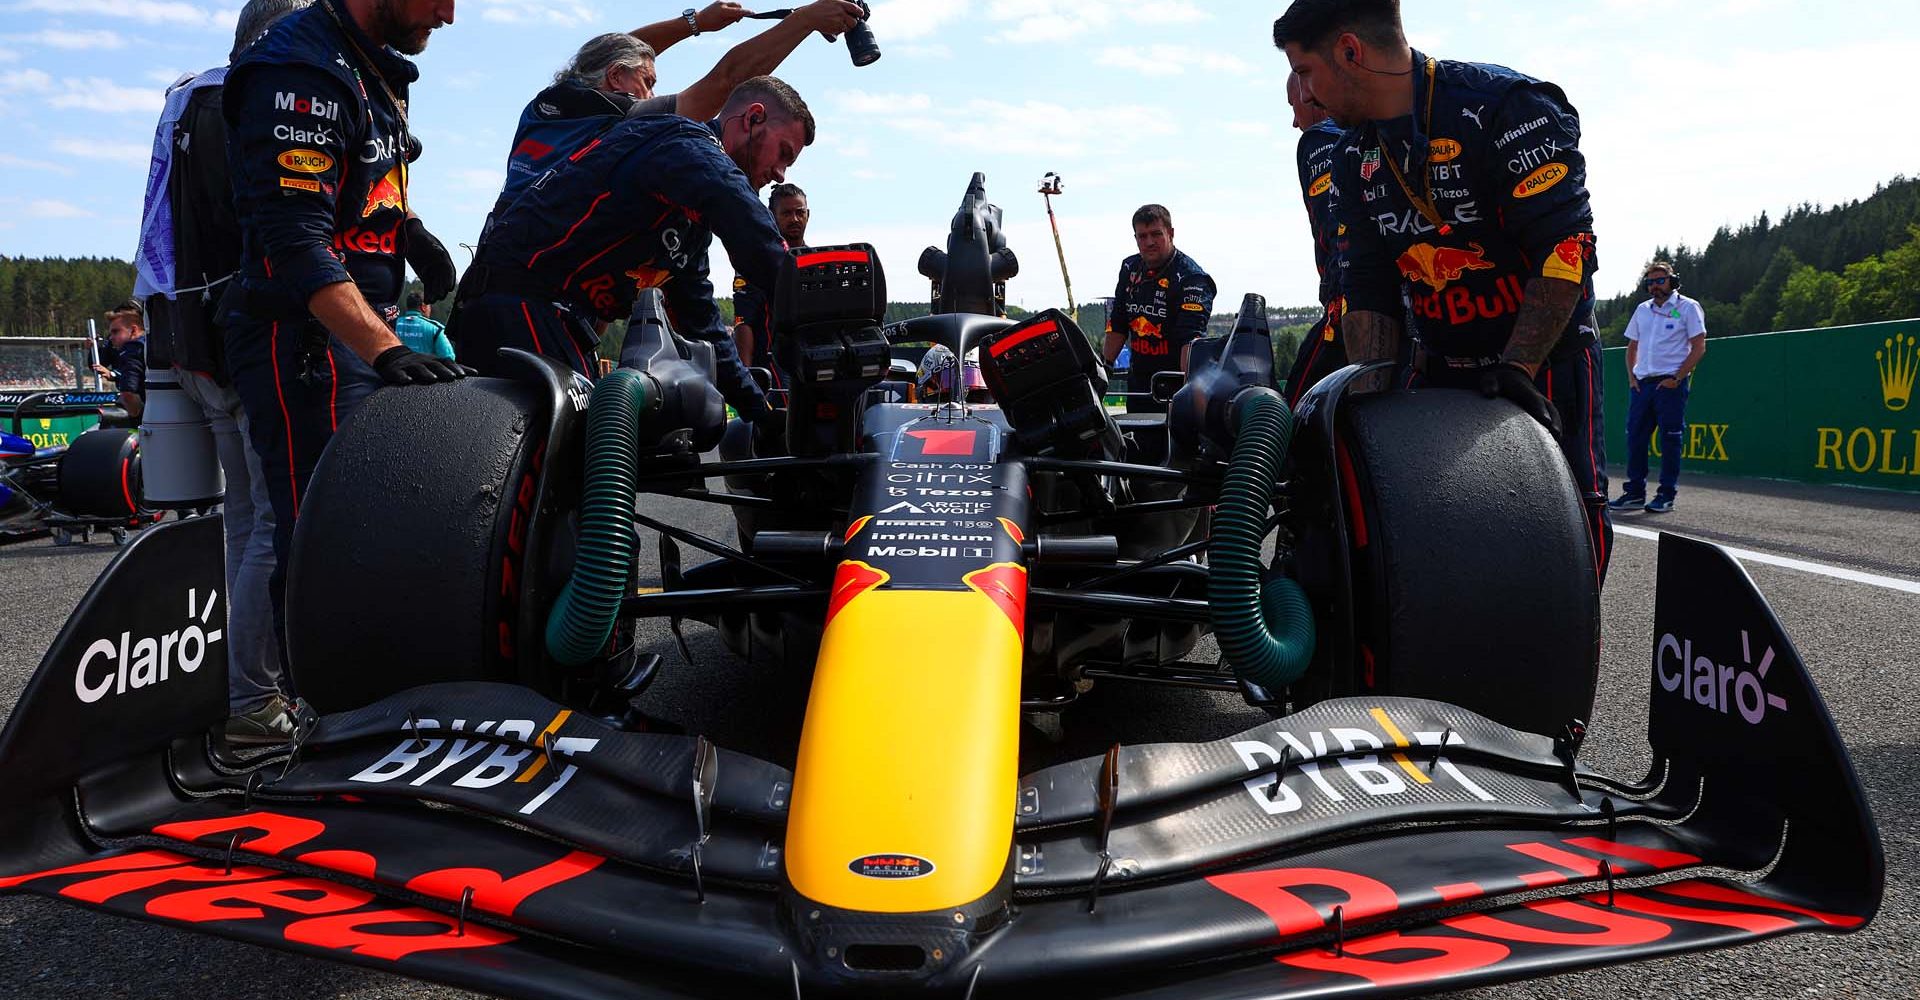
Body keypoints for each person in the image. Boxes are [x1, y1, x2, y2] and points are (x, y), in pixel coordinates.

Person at [1273, 0, 1612, 583]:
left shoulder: (1508, 108)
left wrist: (1518, 366)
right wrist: (1368, 397)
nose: (1304, 92)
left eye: (1305, 71)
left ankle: (1551, 665)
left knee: (1563, 530)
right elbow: (1367, 287)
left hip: (1543, 363)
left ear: (1350, 52)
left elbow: (1566, 247)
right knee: (1425, 531)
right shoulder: (1355, 154)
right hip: (1440, 365)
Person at [222, 0, 468, 681]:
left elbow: (359, 174)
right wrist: (386, 350)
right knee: (315, 539)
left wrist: (407, 228)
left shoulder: (369, 65)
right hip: (305, 341)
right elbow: (293, 242)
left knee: (363, 526)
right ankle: (303, 728)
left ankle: (358, 704)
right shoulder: (301, 68)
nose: (449, 15)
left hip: (352, 334)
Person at [133, 0, 318, 745]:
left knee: (244, 522)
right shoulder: (244, 99)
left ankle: (248, 689)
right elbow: (264, 221)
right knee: (274, 522)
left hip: (192, 337)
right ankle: (256, 700)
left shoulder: (188, 100)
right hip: (245, 335)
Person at [454, 76, 811, 427]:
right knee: (584, 452)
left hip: (553, 316)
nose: (780, 174)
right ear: (753, 118)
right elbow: (746, 223)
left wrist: (760, 412)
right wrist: (812, 310)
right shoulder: (680, 141)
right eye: (783, 154)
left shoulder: (691, 223)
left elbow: (703, 326)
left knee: (588, 456)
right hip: (517, 301)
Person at [486, 1, 863, 227]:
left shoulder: (554, 105)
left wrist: (696, 23)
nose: (652, 94)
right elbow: (724, 82)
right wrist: (804, 20)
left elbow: (607, 52)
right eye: (647, 81)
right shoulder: (606, 111)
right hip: (525, 278)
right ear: (616, 77)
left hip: (506, 249)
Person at [1100, 205, 1217, 414]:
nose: (1149, 242)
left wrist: (1185, 396)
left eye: (1156, 234)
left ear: (1170, 233)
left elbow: (1189, 340)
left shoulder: (1192, 278)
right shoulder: (1129, 268)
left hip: (1176, 389)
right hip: (1138, 387)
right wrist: (1103, 370)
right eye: (1142, 236)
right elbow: (1118, 323)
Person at [1610, 261, 1706, 514]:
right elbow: (1632, 346)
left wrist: (1677, 378)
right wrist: (1632, 378)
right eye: (1650, 282)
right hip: (1642, 385)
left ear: (1673, 281)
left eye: (1660, 280)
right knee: (1636, 439)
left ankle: (1666, 495)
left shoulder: (1687, 307)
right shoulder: (1642, 310)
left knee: (1670, 440)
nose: (1654, 286)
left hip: (1669, 384)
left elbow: (1699, 346)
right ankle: (1634, 493)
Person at [1282, 71, 1350, 408]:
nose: (1295, 122)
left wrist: (1338, 301)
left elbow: (1336, 225)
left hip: (1348, 308)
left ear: (1310, 96)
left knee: (1295, 409)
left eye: (1293, 107)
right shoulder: (1370, 131)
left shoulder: (1319, 139)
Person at [732, 181, 809, 373]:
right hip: (770, 365)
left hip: (810, 361)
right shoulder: (755, 263)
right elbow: (743, 322)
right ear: (771, 216)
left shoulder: (815, 262)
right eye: (786, 213)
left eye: (800, 212)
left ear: (808, 214)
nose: (795, 219)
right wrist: (746, 376)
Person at [95, 302, 148, 420]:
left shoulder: (132, 350)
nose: (111, 337)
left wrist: (138, 416)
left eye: (116, 332)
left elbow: (128, 393)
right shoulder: (154, 343)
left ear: (134, 330)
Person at [396, 291, 455, 359]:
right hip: (424, 369)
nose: (430, 309)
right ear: (423, 307)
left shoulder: (391, 326)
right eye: (429, 306)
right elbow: (449, 358)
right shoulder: (436, 329)